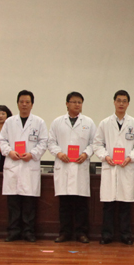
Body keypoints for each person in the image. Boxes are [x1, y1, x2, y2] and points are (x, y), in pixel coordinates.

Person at [93, 90, 134, 245]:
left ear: (128, 104)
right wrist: (105, 156)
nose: (121, 103)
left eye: (124, 101)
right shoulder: (105, 123)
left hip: (126, 167)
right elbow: (97, 144)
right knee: (108, 205)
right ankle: (106, 235)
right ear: (114, 102)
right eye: (119, 100)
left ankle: (125, 235)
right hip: (110, 166)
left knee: (125, 204)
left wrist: (131, 157)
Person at [0, 90, 49, 242]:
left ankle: (28, 232)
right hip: (13, 164)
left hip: (29, 165)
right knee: (13, 203)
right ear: (17, 103)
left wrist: (32, 154)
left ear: (32, 104)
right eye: (21, 102)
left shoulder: (39, 122)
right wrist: (9, 152)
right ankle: (13, 231)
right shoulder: (9, 122)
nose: (24, 104)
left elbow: (43, 142)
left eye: (27, 102)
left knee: (29, 203)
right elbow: (2, 140)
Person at [47, 92, 96, 243]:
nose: (77, 105)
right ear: (67, 104)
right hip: (64, 165)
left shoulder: (88, 122)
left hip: (80, 166)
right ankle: (65, 233)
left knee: (81, 204)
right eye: (74, 102)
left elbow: (94, 143)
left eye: (79, 102)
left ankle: (81, 233)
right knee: (64, 204)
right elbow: (51, 142)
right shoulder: (57, 122)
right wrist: (59, 153)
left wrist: (86, 154)